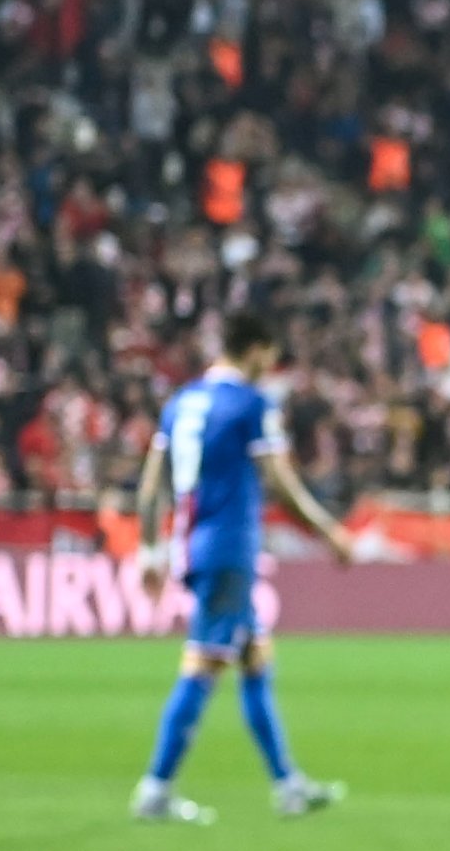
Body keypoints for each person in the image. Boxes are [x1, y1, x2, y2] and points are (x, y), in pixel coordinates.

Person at [127, 308, 351, 823]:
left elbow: (150, 486)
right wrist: (329, 531)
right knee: (202, 666)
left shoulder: (182, 403)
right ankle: (155, 788)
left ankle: (288, 784)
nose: (270, 367)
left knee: (255, 660)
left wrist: (149, 550)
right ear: (255, 350)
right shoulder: (250, 404)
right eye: (270, 357)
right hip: (229, 548)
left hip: (197, 543)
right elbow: (280, 483)